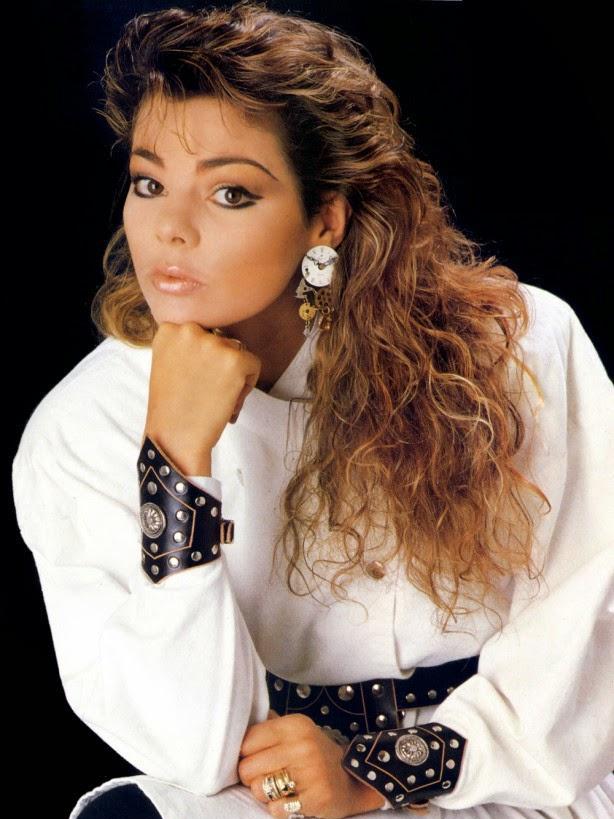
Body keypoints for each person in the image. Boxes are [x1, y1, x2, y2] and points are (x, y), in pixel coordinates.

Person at [11, 3, 614, 819]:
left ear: (322, 219)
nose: (170, 230)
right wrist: (176, 464)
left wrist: (372, 775)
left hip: (514, 779)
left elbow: (589, 631)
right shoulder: (87, 423)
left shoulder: (520, 347)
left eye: (229, 192)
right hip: (266, 794)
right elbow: (189, 742)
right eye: (149, 183)